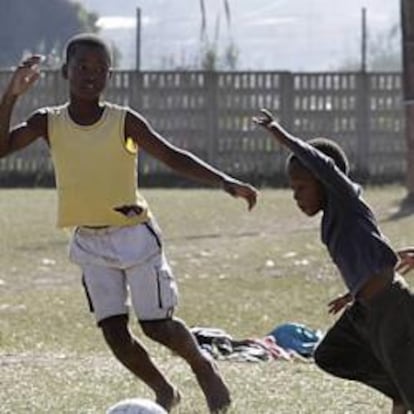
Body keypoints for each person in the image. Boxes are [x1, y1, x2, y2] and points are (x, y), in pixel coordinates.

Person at [0, 33, 258, 413]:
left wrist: (223, 180)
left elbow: (171, 156)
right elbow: (2, 148)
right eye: (82, 67)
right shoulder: (47, 122)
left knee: (156, 325)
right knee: (115, 334)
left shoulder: (123, 121)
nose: (91, 74)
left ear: (110, 75)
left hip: (135, 237)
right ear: (65, 72)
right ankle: (164, 390)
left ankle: (203, 366)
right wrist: (11, 96)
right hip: (89, 241)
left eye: (100, 69)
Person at [253, 108, 414, 414]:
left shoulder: (345, 198)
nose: (296, 196)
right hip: (366, 309)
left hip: (392, 308)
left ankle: (404, 389)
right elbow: (363, 260)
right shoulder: (332, 219)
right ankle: (399, 389)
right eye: (293, 189)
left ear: (326, 182)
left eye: (301, 187)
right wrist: (350, 295)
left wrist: (282, 135)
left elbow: (323, 165)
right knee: (331, 354)